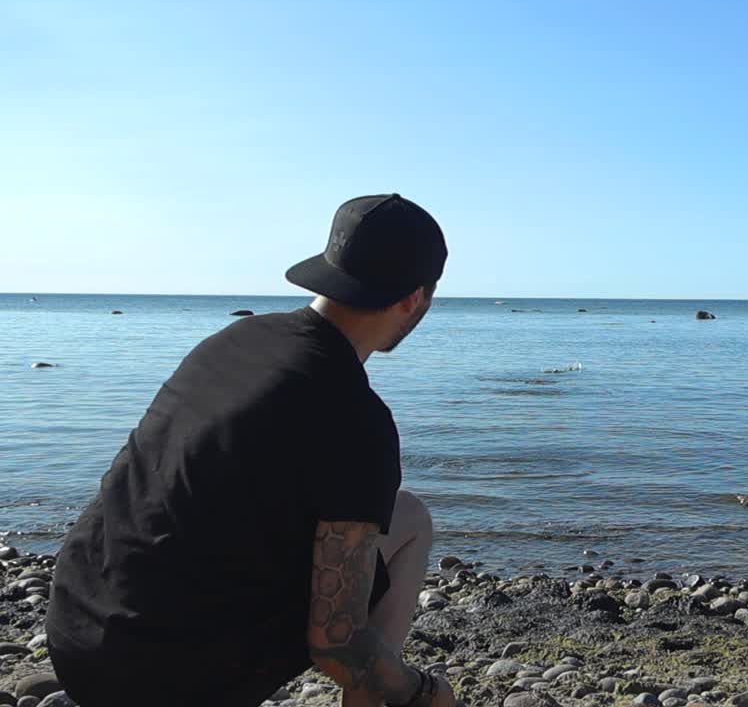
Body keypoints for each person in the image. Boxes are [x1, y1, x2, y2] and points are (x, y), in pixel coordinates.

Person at [47, 194, 455, 707]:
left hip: (76, 635)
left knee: (391, 516)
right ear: (414, 298)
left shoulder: (234, 340)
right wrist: (425, 691)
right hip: (163, 683)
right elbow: (338, 646)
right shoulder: (356, 417)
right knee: (409, 523)